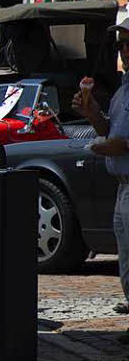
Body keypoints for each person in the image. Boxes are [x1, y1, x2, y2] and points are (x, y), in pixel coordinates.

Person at [75, 25, 129, 316]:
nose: (123, 52)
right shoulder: (123, 90)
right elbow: (109, 130)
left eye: (128, 45)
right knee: (126, 261)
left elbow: (120, 142)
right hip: (122, 185)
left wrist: (115, 147)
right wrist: (93, 113)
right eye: (121, 45)